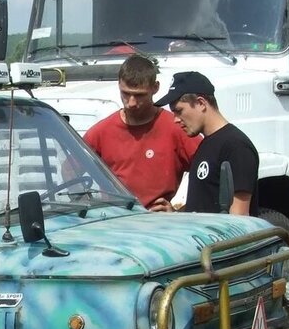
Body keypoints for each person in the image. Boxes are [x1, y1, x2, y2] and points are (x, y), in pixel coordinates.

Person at [82, 55, 199, 211]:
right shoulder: (100, 132)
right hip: (115, 222)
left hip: (159, 224)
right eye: (125, 93)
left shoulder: (176, 128)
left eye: (139, 95)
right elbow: (70, 172)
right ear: (118, 85)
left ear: (155, 88)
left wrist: (181, 212)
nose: (131, 103)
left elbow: (210, 174)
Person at [157, 71, 259, 216]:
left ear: (201, 103)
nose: (176, 119)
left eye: (179, 111)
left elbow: (240, 219)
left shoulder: (236, 147)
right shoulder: (206, 144)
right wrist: (175, 215)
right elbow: (204, 205)